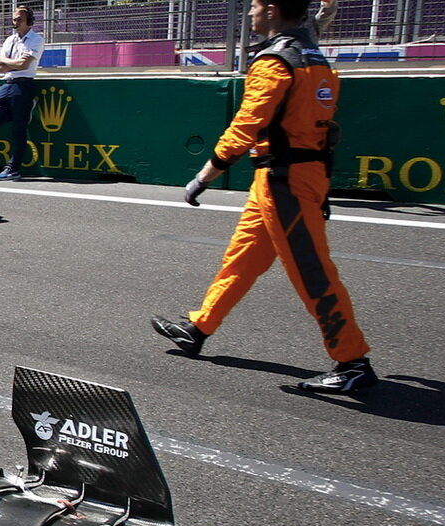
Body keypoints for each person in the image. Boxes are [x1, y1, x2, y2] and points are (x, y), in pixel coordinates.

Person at [150, 0, 375, 394]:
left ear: (271, 10)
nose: (250, 13)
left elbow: (246, 125)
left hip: (284, 180)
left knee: (312, 270)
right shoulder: (310, 53)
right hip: (296, 174)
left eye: (254, 5)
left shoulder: (274, 62)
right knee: (242, 257)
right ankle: (198, 328)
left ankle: (351, 360)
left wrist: (204, 176)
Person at [0, 6, 43, 181]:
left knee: (19, 129)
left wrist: (9, 63)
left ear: (29, 21)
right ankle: (23, 112)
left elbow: (23, 66)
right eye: (14, 19)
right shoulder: (9, 40)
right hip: (7, 83)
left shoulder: (36, 39)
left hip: (23, 84)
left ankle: (13, 168)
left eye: (19, 19)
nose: (15, 22)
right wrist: (13, 63)